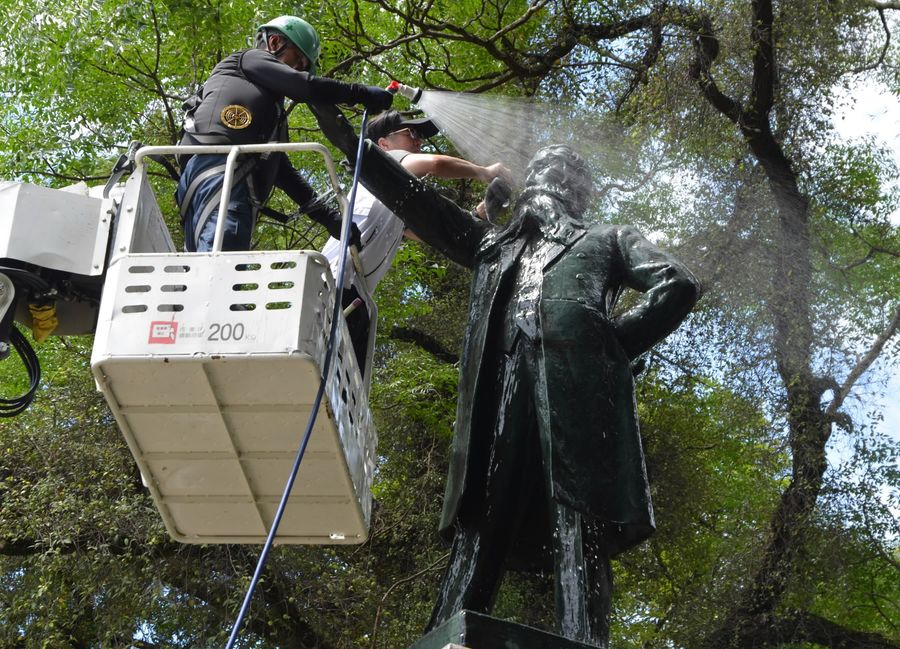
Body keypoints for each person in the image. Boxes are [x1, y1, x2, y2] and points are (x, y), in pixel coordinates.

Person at [312, 103, 700, 648]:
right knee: (482, 513)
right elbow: (406, 196)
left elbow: (676, 283)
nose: (549, 183)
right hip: (500, 386)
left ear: (578, 195)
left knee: (577, 514)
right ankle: (443, 633)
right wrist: (339, 126)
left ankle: (583, 637)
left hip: (575, 386)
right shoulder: (491, 245)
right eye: (541, 174)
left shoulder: (608, 239)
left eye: (563, 177)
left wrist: (612, 345)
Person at [175, 15, 394, 252]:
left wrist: (329, 218)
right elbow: (306, 86)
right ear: (275, 42)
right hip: (219, 169)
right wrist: (361, 94)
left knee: (212, 260)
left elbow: (280, 168)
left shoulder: (269, 112)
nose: (299, 68)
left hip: (226, 177)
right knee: (223, 256)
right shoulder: (248, 59)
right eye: (298, 60)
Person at [320, 109, 511, 376]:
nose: (418, 140)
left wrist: (476, 216)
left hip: (351, 295)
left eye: (419, 135)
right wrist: (485, 171)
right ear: (384, 143)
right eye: (411, 133)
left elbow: (433, 233)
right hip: (335, 284)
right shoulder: (388, 160)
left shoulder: (394, 200)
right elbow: (434, 163)